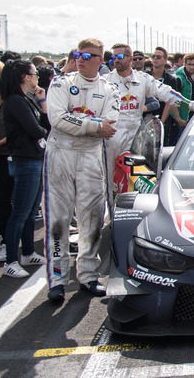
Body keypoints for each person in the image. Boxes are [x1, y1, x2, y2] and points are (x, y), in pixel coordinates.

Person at [44, 39, 120, 303]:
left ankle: (88, 275)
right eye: (78, 54)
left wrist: (88, 125)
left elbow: (111, 123)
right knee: (58, 220)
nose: (81, 58)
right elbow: (57, 118)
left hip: (90, 155)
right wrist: (93, 125)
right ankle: (57, 280)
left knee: (92, 220)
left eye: (88, 55)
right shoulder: (60, 83)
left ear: (101, 60)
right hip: (60, 153)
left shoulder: (110, 88)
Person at [105, 44, 192, 205]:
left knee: (138, 180)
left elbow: (167, 93)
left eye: (120, 56)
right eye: (114, 57)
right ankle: (111, 217)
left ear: (130, 59)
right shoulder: (106, 81)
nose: (116, 60)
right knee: (110, 183)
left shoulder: (142, 78)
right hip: (111, 139)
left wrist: (192, 105)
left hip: (136, 138)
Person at [0, 60, 50, 278]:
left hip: (35, 158)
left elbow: (43, 126)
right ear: (25, 77)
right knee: (20, 212)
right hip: (26, 160)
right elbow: (38, 130)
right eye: (34, 73)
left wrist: (42, 100)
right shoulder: (15, 102)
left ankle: (28, 252)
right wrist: (43, 124)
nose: (37, 76)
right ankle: (11, 260)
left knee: (30, 212)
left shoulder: (25, 99)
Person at [0, 61, 13, 263]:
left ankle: (9, 243)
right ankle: (2, 234)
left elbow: (17, 128)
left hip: (5, 154)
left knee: (3, 199)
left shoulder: (9, 100)